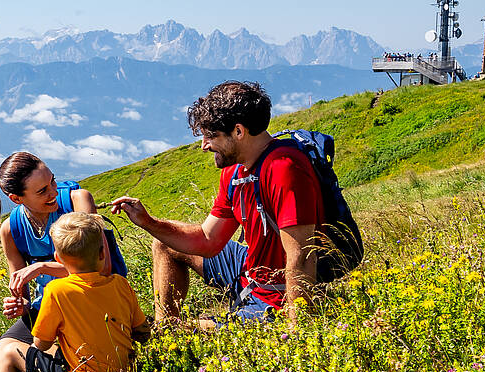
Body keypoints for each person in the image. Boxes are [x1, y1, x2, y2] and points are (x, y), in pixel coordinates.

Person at [107, 81, 325, 330]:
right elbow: (207, 240)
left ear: (239, 131)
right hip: (249, 271)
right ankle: (165, 329)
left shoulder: (284, 169)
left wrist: (298, 334)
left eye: (211, 136)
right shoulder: (236, 171)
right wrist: (148, 222)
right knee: (164, 245)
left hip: (277, 295)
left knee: (188, 331)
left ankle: (171, 335)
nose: (204, 145)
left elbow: (302, 256)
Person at [0, 151, 113, 372]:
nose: (53, 192)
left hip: (89, 305)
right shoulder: (11, 229)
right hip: (45, 310)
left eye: (52, 181)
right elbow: (20, 287)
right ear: (16, 198)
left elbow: (101, 267)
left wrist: (42, 267)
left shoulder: (77, 201)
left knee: (17, 370)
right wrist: (19, 305)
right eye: (42, 191)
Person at [0, 212, 149, 372]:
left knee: (10, 352)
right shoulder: (120, 284)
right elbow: (142, 333)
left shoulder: (56, 290)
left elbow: (41, 344)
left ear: (58, 259)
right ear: (103, 253)